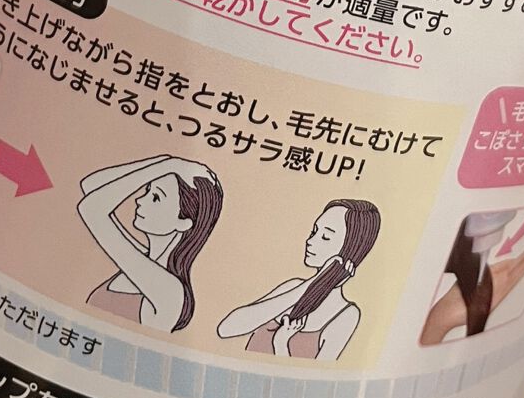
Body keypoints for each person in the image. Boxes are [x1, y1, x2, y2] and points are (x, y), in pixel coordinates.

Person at [217, 198, 380, 361]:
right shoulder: (293, 288)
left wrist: (281, 344)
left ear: (352, 248)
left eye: (325, 237)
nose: (310, 241)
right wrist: (315, 282)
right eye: (314, 232)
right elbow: (226, 329)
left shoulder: (346, 315)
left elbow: (316, 374)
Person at [77, 153, 222, 331]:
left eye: (155, 197)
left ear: (183, 222)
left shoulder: (170, 290)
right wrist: (164, 161)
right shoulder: (141, 259)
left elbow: (91, 208)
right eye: (147, 190)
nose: (139, 200)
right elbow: (90, 186)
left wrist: (169, 165)